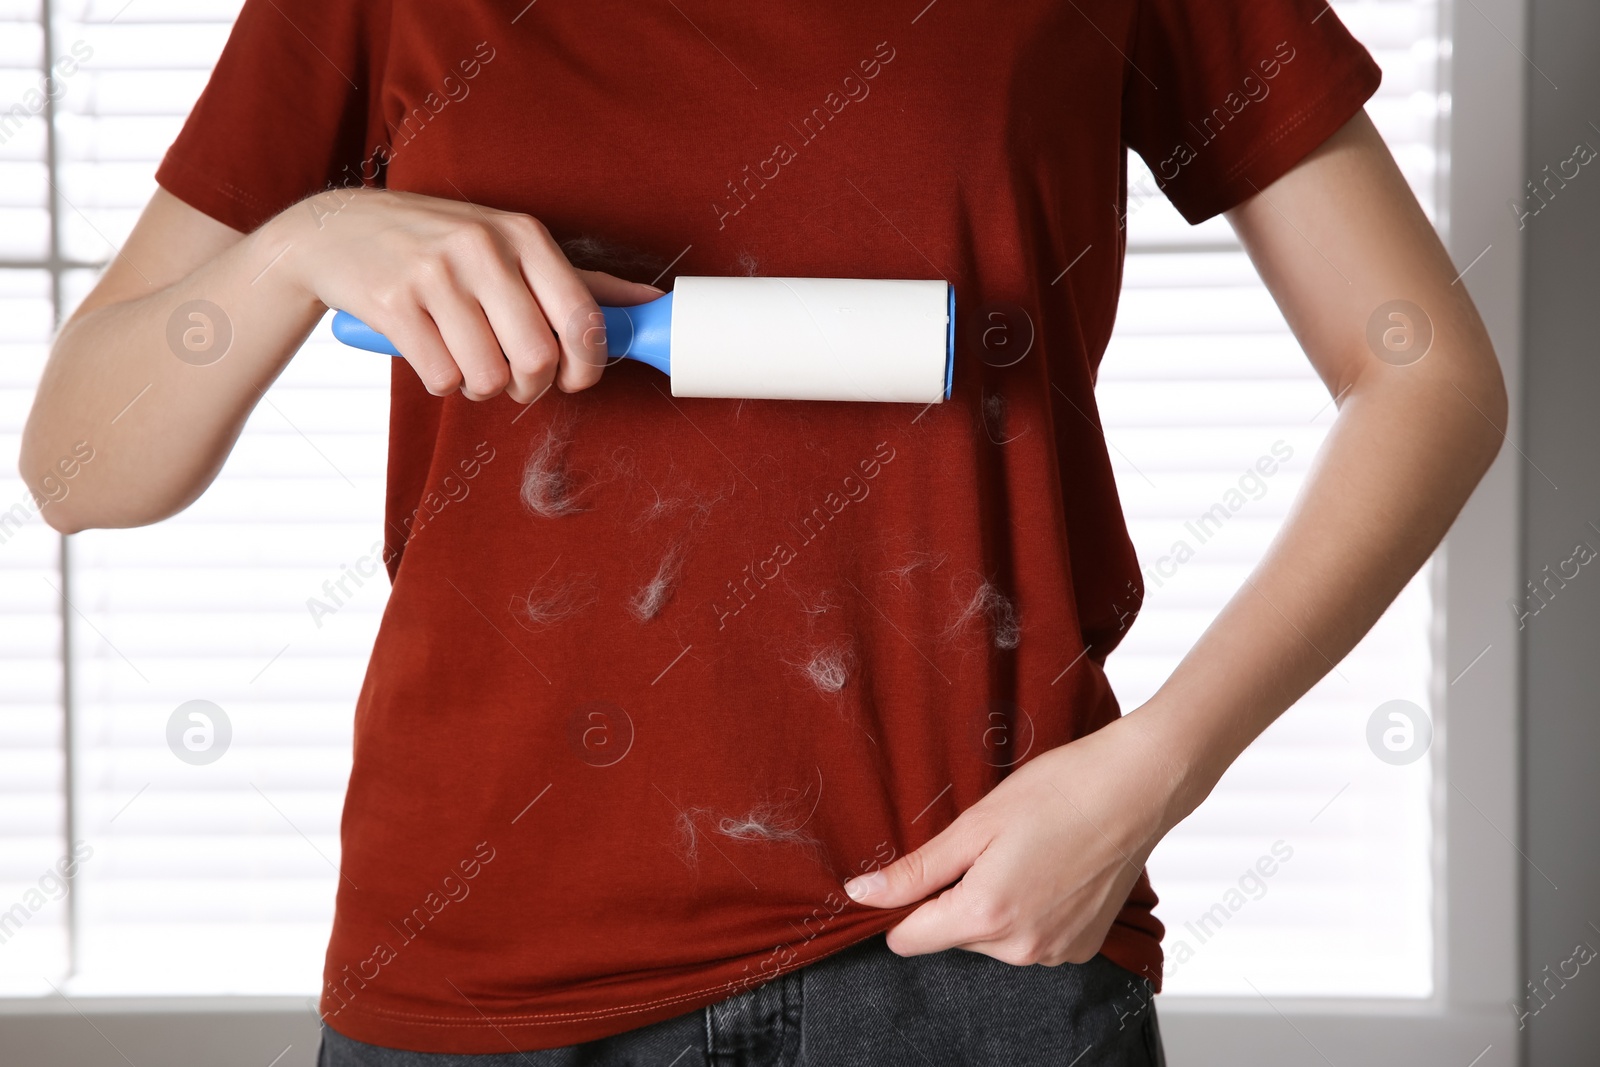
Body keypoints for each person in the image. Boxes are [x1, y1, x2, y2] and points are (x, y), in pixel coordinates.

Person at [19, 0, 1506, 1063]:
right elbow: (79, 465)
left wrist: (1149, 775)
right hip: (486, 966)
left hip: (971, 952)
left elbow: (1426, 372)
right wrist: (295, 249)